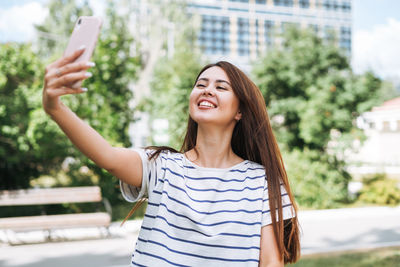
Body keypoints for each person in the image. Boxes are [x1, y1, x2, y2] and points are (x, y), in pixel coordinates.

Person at [42, 47, 300, 266]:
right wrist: (55, 108)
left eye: (221, 87)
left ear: (240, 111)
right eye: (201, 84)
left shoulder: (261, 181)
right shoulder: (161, 167)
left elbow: (270, 263)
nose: (207, 90)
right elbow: (107, 155)